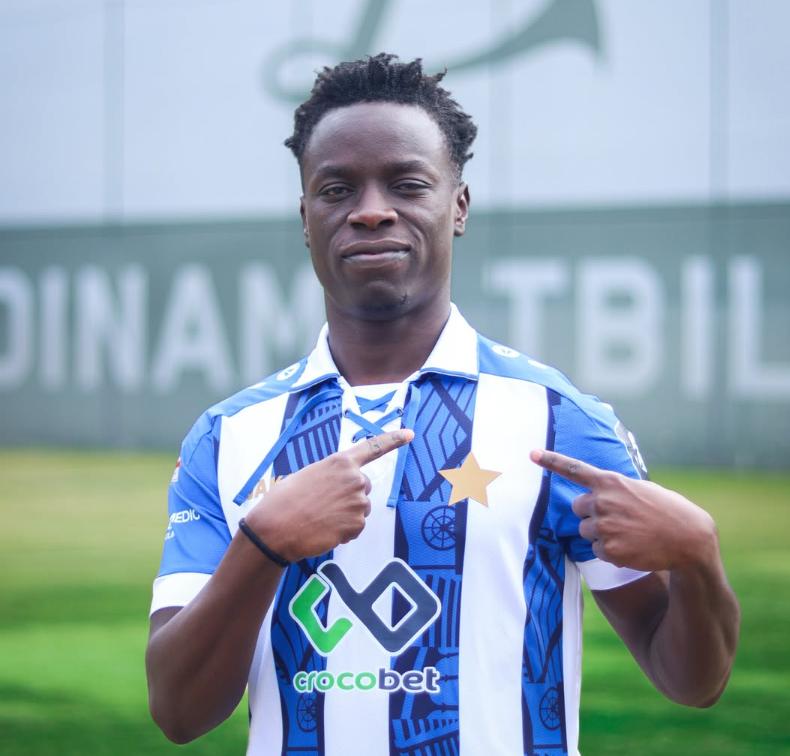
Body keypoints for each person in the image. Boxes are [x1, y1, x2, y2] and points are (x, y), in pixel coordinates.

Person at [145, 53, 740, 756]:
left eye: (407, 184)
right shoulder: (230, 435)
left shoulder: (557, 421)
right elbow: (179, 712)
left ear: (457, 206)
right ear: (306, 218)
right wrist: (262, 544)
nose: (371, 210)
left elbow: (690, 680)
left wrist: (699, 558)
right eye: (336, 189)